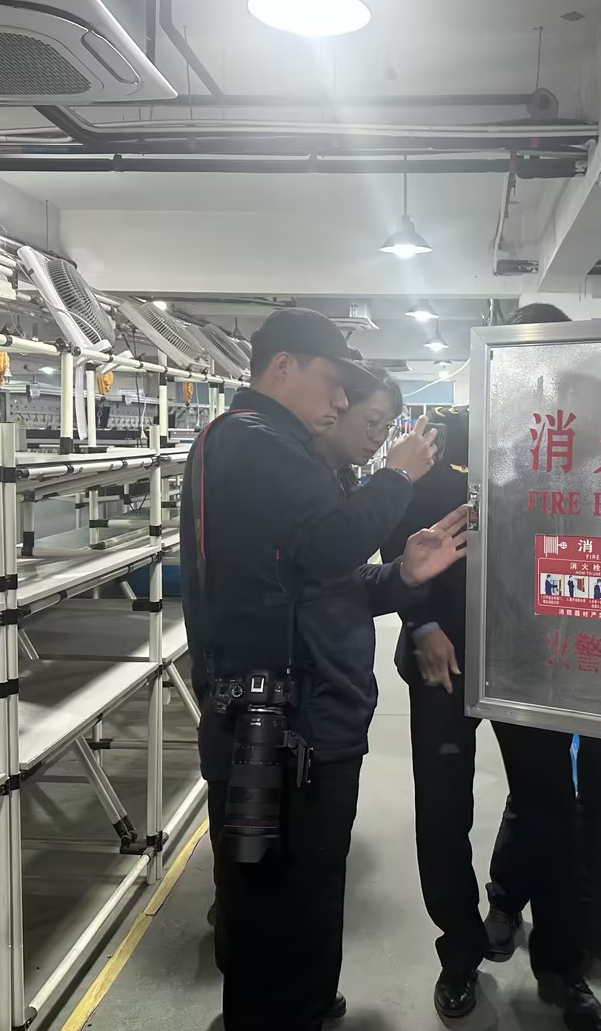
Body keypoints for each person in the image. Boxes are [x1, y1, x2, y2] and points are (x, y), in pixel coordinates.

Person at [181, 308, 468, 1031]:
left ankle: (304, 1002)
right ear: (284, 366)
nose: (341, 401)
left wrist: (402, 574)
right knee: (276, 894)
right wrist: (396, 477)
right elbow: (333, 547)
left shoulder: (278, 449)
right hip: (282, 726)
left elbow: (324, 579)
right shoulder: (252, 442)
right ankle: (279, 1012)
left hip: (301, 719)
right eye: (333, 382)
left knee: (303, 885)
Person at [384, 305, 601, 1031]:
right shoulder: (444, 439)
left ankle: (560, 967)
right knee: (443, 814)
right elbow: (398, 544)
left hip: (532, 657)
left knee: (551, 807)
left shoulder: (574, 446)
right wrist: (421, 624)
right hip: (443, 659)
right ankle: (459, 955)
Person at [482, 303, 601, 973]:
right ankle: (506, 900)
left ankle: (587, 910)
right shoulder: (511, 460)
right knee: (537, 791)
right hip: (533, 654)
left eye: (594, 394)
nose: (582, 405)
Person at [311, 364, 404, 489]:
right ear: (337, 408)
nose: (378, 438)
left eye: (387, 426)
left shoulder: (343, 475)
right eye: (372, 420)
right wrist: (397, 477)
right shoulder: (299, 473)